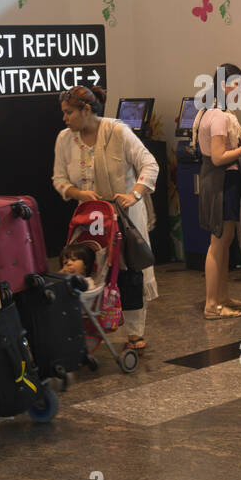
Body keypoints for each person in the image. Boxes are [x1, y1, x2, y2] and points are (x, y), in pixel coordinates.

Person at [52, 85, 159, 356]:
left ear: (86, 110)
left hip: (124, 213)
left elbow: (150, 165)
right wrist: (79, 193)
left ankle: (135, 332)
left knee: (128, 271)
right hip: (89, 218)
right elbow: (59, 179)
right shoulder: (65, 139)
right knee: (94, 269)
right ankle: (93, 325)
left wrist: (134, 194)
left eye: (69, 112)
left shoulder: (118, 132)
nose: (64, 118)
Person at [194, 63, 241, 320]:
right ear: (225, 84)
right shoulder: (217, 115)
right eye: (236, 84)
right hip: (220, 181)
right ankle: (212, 304)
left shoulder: (212, 111)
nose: (239, 90)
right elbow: (218, 157)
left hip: (221, 180)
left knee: (225, 240)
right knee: (218, 242)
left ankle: (223, 296)